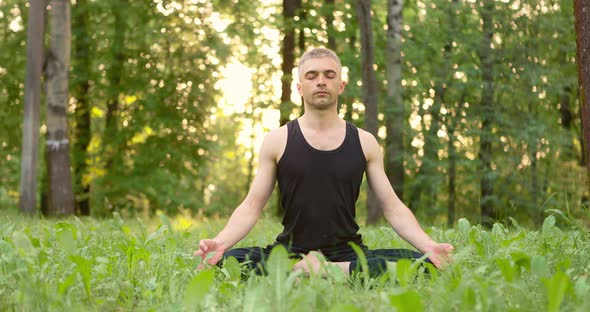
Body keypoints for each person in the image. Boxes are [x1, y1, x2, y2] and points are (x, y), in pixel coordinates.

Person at [194, 47, 453, 278]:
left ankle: (326, 270)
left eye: (329, 75)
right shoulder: (277, 140)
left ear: (340, 85)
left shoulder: (365, 142)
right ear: (299, 88)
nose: (321, 81)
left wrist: (428, 245)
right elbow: (252, 206)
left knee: (426, 264)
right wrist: (221, 242)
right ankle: (302, 268)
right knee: (224, 263)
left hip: (348, 254)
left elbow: (393, 207)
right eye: (312, 76)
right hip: (289, 252)